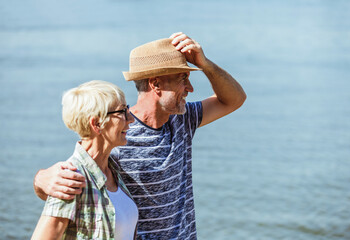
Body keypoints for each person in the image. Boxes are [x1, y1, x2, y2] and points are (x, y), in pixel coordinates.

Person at [33, 32, 247, 239]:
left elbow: (234, 99)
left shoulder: (183, 119)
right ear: (156, 84)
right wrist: (42, 180)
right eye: (183, 78)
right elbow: (79, 181)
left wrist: (206, 64)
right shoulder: (117, 133)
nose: (190, 88)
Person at [31, 80, 138, 240]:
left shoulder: (113, 170)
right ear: (96, 123)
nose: (131, 119)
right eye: (122, 112)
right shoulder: (71, 180)